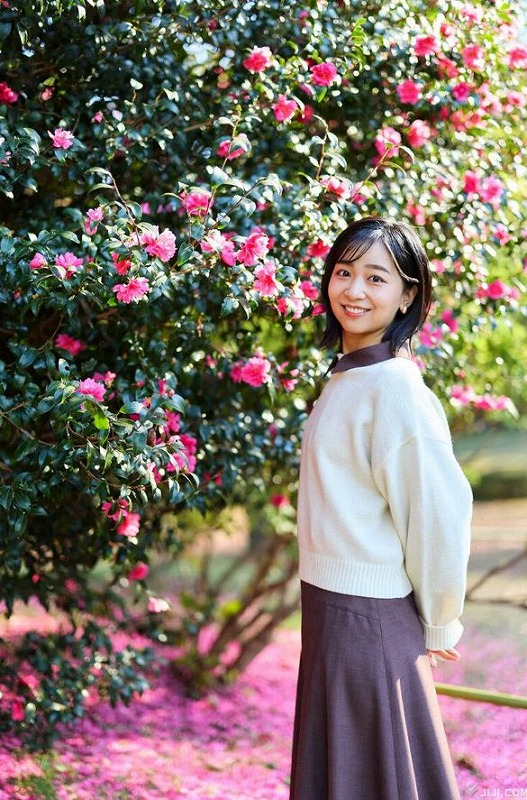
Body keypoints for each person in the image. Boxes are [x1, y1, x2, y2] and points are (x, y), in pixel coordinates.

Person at [290, 217, 472, 800]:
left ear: (407, 295)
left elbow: (438, 514)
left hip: (367, 624)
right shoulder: (346, 379)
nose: (354, 290)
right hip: (329, 613)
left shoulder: (396, 389)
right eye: (344, 272)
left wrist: (440, 619)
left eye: (376, 277)